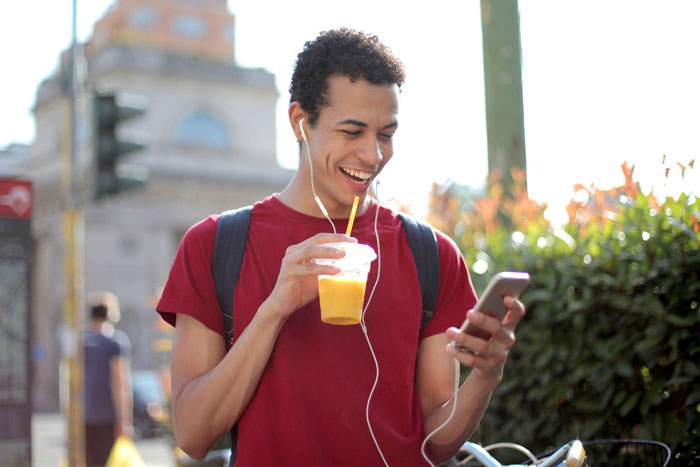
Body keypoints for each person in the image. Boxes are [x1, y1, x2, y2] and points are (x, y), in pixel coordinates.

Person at [156, 28, 526, 466]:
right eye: (352, 132)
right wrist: (275, 308)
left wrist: (485, 375)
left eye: (385, 134)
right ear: (300, 122)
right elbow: (194, 436)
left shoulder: (431, 254)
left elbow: (436, 443)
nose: (372, 155)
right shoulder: (215, 245)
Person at [83, 291, 134, 467]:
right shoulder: (116, 343)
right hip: (107, 416)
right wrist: (124, 420)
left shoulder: (81, 342)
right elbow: (120, 382)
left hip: (83, 415)